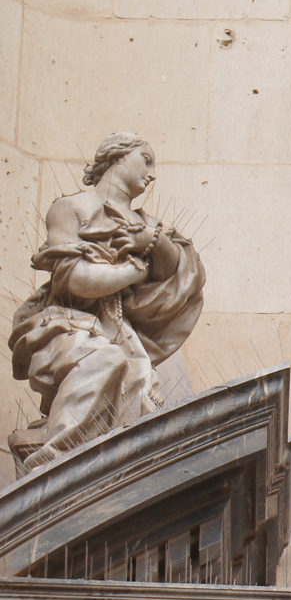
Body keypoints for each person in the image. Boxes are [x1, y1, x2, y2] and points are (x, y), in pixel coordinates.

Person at [9, 133, 205, 470]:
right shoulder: (72, 208)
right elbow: (72, 278)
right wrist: (132, 270)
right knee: (104, 360)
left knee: (133, 381)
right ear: (117, 156)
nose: (152, 174)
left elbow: (181, 273)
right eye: (145, 160)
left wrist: (154, 241)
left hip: (119, 330)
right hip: (67, 325)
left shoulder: (147, 225)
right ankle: (54, 463)